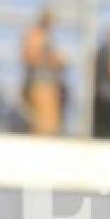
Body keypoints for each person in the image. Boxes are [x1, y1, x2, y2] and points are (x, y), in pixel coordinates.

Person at [21, 8, 67, 136]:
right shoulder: (35, 34)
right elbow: (29, 57)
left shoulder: (46, 35)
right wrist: (53, 59)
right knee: (42, 124)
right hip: (40, 84)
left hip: (49, 83)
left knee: (51, 123)